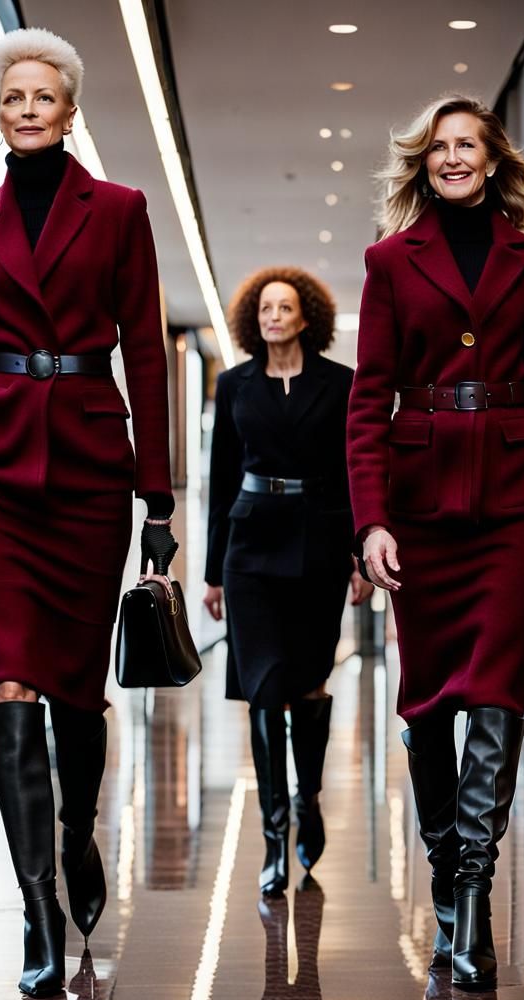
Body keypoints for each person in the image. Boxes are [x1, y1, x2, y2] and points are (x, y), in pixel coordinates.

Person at [0, 28, 177, 998]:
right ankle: (37, 912)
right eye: (10, 95)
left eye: (42, 96)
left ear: (69, 107)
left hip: (92, 464)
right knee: (11, 678)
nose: (25, 109)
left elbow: (145, 349)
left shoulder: (120, 211)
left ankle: (75, 830)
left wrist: (160, 496)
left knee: (74, 684)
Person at [347, 95, 524, 990]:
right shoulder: (389, 262)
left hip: (514, 499)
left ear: (493, 160)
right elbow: (369, 397)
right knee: (432, 700)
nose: (452, 159)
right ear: (423, 163)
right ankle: (445, 865)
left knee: (497, 693)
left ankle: (472, 901)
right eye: (439, 148)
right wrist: (369, 519)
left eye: (467, 146)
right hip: (421, 504)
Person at [204, 268, 373, 896]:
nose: (275, 316)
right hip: (249, 551)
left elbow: (354, 472)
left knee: (307, 684)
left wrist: (361, 555)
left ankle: (310, 799)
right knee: (262, 689)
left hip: (319, 545)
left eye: (287, 307)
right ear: (256, 318)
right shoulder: (234, 385)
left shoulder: (340, 384)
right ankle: (274, 834)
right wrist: (211, 573)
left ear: (307, 319)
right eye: (266, 308)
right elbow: (222, 479)